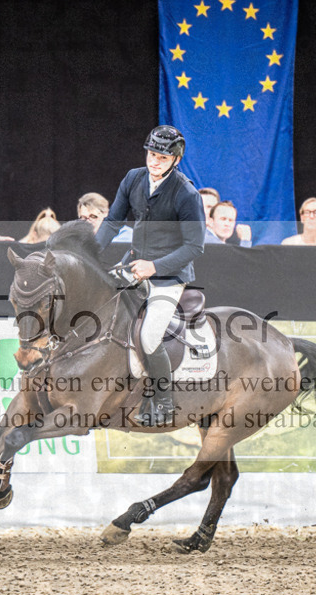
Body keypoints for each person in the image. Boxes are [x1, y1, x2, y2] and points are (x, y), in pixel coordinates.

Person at [95, 124, 205, 426]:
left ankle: (163, 400)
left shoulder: (187, 194)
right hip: (132, 265)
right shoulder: (133, 178)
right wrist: (90, 251)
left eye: (162, 158)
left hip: (168, 276)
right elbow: (113, 221)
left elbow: (195, 246)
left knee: (148, 336)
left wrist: (154, 268)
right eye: (151, 154)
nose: (154, 162)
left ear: (176, 160)